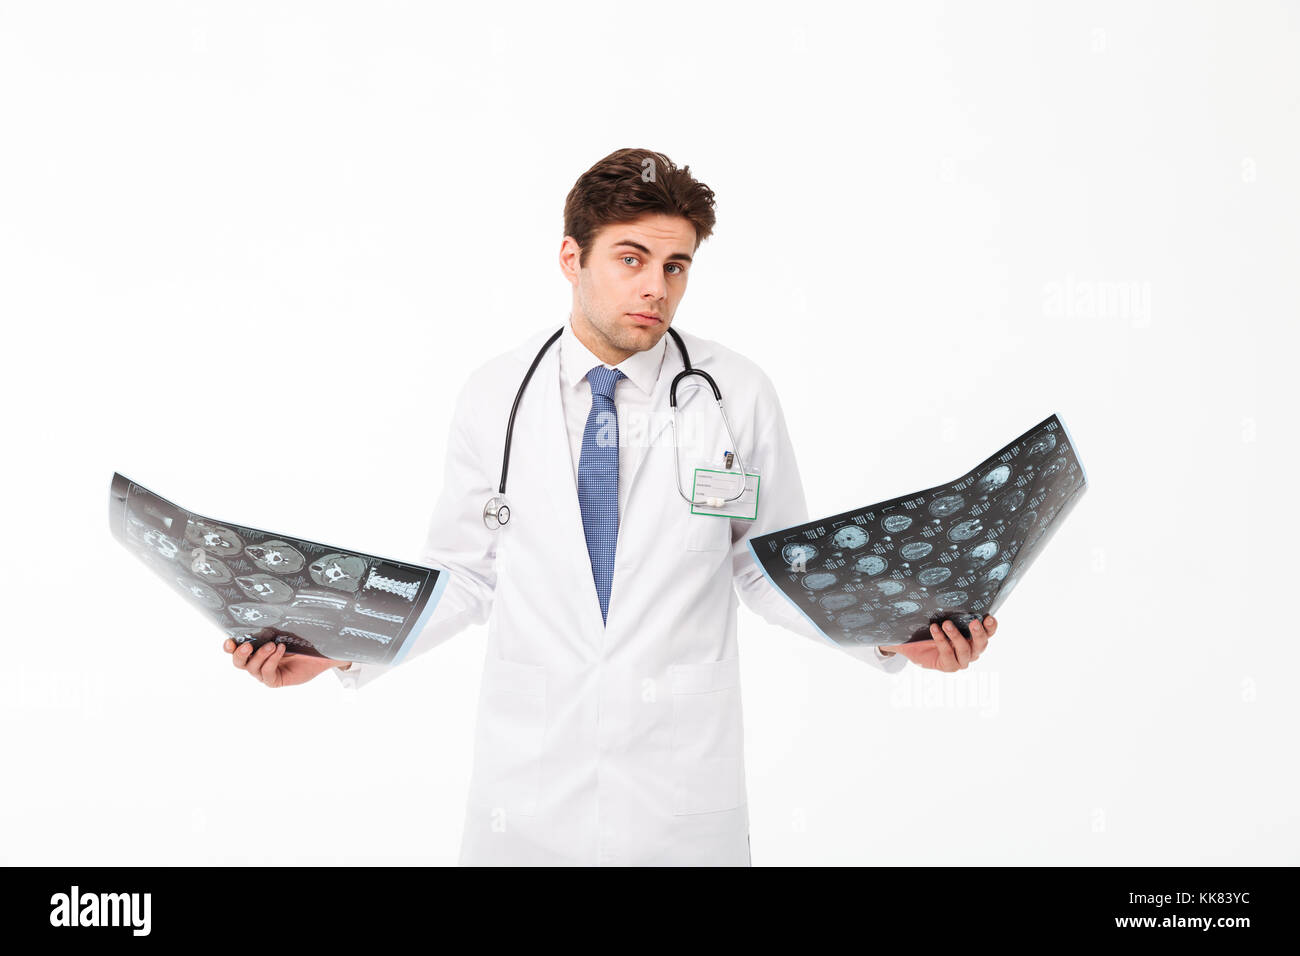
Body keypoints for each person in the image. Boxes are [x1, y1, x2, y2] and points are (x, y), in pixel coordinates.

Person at [221, 147, 999, 865]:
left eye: (676, 265)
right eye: (631, 259)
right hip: (528, 785)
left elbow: (775, 572)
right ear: (572, 258)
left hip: (678, 787)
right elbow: (464, 575)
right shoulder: (495, 394)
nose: (656, 287)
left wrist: (894, 637)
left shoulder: (735, 394)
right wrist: (339, 650)